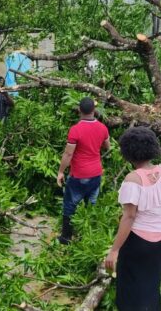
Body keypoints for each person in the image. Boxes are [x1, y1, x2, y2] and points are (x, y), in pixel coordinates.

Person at [104, 126, 161, 311]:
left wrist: (114, 250)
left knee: (130, 284)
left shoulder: (132, 180)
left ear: (128, 152)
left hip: (138, 242)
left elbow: (129, 217)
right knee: (151, 279)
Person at [55, 97, 110, 244]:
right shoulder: (102, 128)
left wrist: (60, 172)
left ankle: (66, 237)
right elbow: (107, 146)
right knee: (91, 204)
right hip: (96, 173)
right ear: (94, 110)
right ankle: (88, 236)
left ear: (79, 110)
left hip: (79, 174)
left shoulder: (76, 130)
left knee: (70, 204)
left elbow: (68, 153)